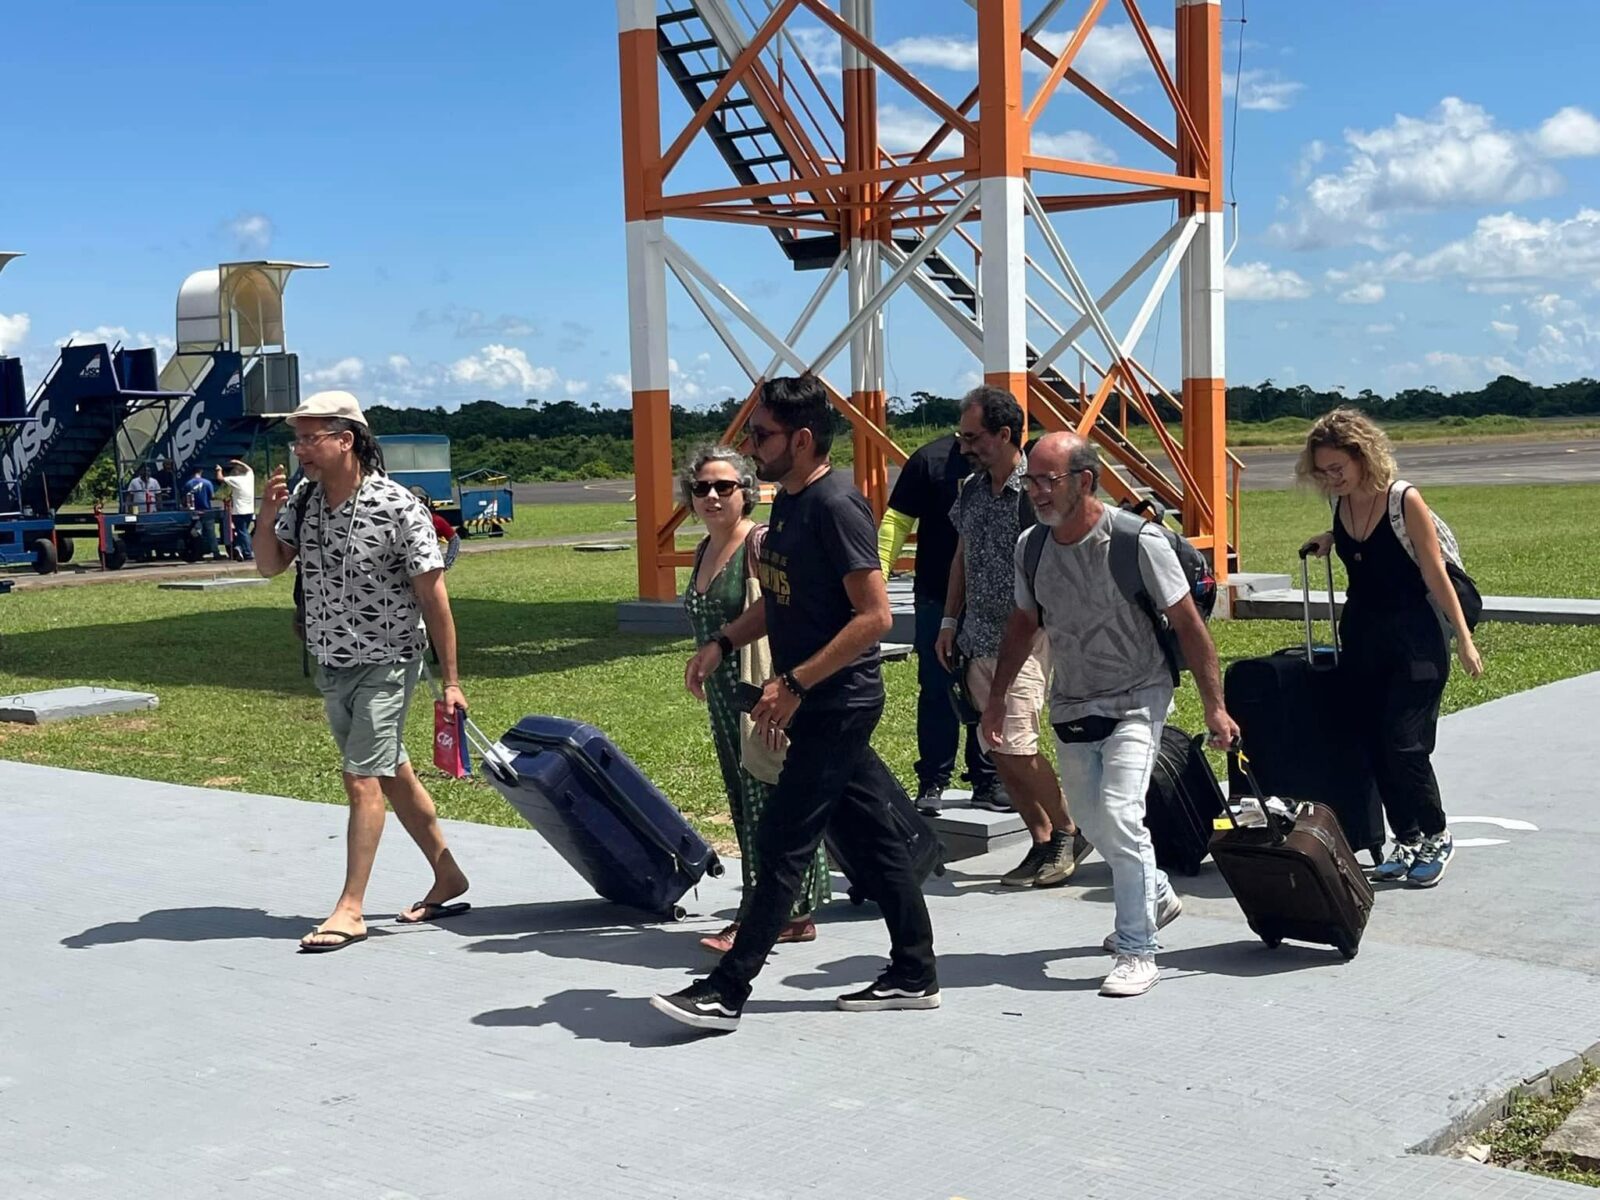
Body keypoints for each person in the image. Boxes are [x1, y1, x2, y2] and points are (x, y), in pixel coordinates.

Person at [653, 374, 938, 1033]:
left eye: (762, 434)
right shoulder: (790, 503)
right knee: (875, 844)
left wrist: (796, 682)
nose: (750, 447)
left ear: (802, 439)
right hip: (818, 699)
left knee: (782, 842)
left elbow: (871, 617)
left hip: (835, 703)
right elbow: (782, 599)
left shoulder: (838, 506)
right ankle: (915, 970)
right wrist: (723, 641)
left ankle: (726, 990)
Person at [986, 432, 1239, 999]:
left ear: (1085, 481)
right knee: (1089, 819)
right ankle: (1154, 891)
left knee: (1122, 813)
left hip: (1139, 692)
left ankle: (1137, 948)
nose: (1036, 492)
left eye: (1048, 480)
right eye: (1031, 481)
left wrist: (1214, 706)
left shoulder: (1136, 541)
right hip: (1074, 698)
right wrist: (998, 697)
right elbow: (1024, 624)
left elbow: (1190, 626)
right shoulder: (1032, 546)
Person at [253, 389, 471, 952]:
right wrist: (267, 513)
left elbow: (435, 599)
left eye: (310, 436)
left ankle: (350, 909)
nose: (299, 447)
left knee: (361, 777)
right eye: (296, 437)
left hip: (389, 662)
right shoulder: (303, 502)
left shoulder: (399, 507)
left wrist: (450, 682)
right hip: (330, 662)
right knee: (390, 770)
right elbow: (269, 566)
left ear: (346, 439)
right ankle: (448, 874)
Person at [1296, 408, 1483, 888]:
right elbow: (1361, 547)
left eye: (1338, 468)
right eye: (1323, 472)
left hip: (1417, 638)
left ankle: (1437, 835)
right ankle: (1408, 837)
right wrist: (1329, 539)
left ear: (1363, 457)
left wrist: (1463, 638)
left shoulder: (1404, 500)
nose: (1331, 478)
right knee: (1375, 742)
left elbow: (1434, 571)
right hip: (1363, 635)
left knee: (1405, 742)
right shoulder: (1340, 504)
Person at [936, 387, 1089, 888]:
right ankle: (1041, 839)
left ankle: (1068, 830)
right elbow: (962, 556)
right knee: (997, 745)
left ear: (1004, 435)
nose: (964, 446)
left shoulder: (1041, 489)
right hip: (978, 635)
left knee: (1018, 742)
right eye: (962, 436)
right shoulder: (973, 490)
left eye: (973, 436)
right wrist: (949, 622)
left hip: (1029, 635)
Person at [680, 444, 829, 954]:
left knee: (768, 795)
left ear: (748, 493)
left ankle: (772, 912)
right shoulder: (704, 548)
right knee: (745, 800)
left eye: (725, 486)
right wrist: (704, 655)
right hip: (724, 696)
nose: (713, 496)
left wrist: (786, 685)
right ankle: (780, 907)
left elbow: (789, 609)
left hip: (760, 688)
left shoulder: (758, 543)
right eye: (702, 488)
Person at [877, 432, 1001, 814]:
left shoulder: (1010, 462)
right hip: (934, 594)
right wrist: (877, 577)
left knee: (990, 687)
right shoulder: (928, 460)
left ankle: (989, 779)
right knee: (936, 687)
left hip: (992, 600)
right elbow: (896, 523)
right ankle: (933, 780)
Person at [218, 459, 256, 561]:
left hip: (239, 511)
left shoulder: (236, 480)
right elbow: (249, 469)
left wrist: (219, 470)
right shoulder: (250, 477)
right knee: (244, 531)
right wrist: (239, 462)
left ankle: (248, 553)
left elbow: (220, 478)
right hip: (250, 510)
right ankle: (240, 549)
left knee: (242, 532)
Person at [184, 467, 224, 560]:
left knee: (196, 533)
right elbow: (212, 496)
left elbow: (186, 499)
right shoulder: (207, 483)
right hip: (207, 511)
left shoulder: (188, 484)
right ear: (201, 471)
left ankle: (198, 553)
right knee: (211, 533)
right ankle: (216, 553)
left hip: (194, 512)